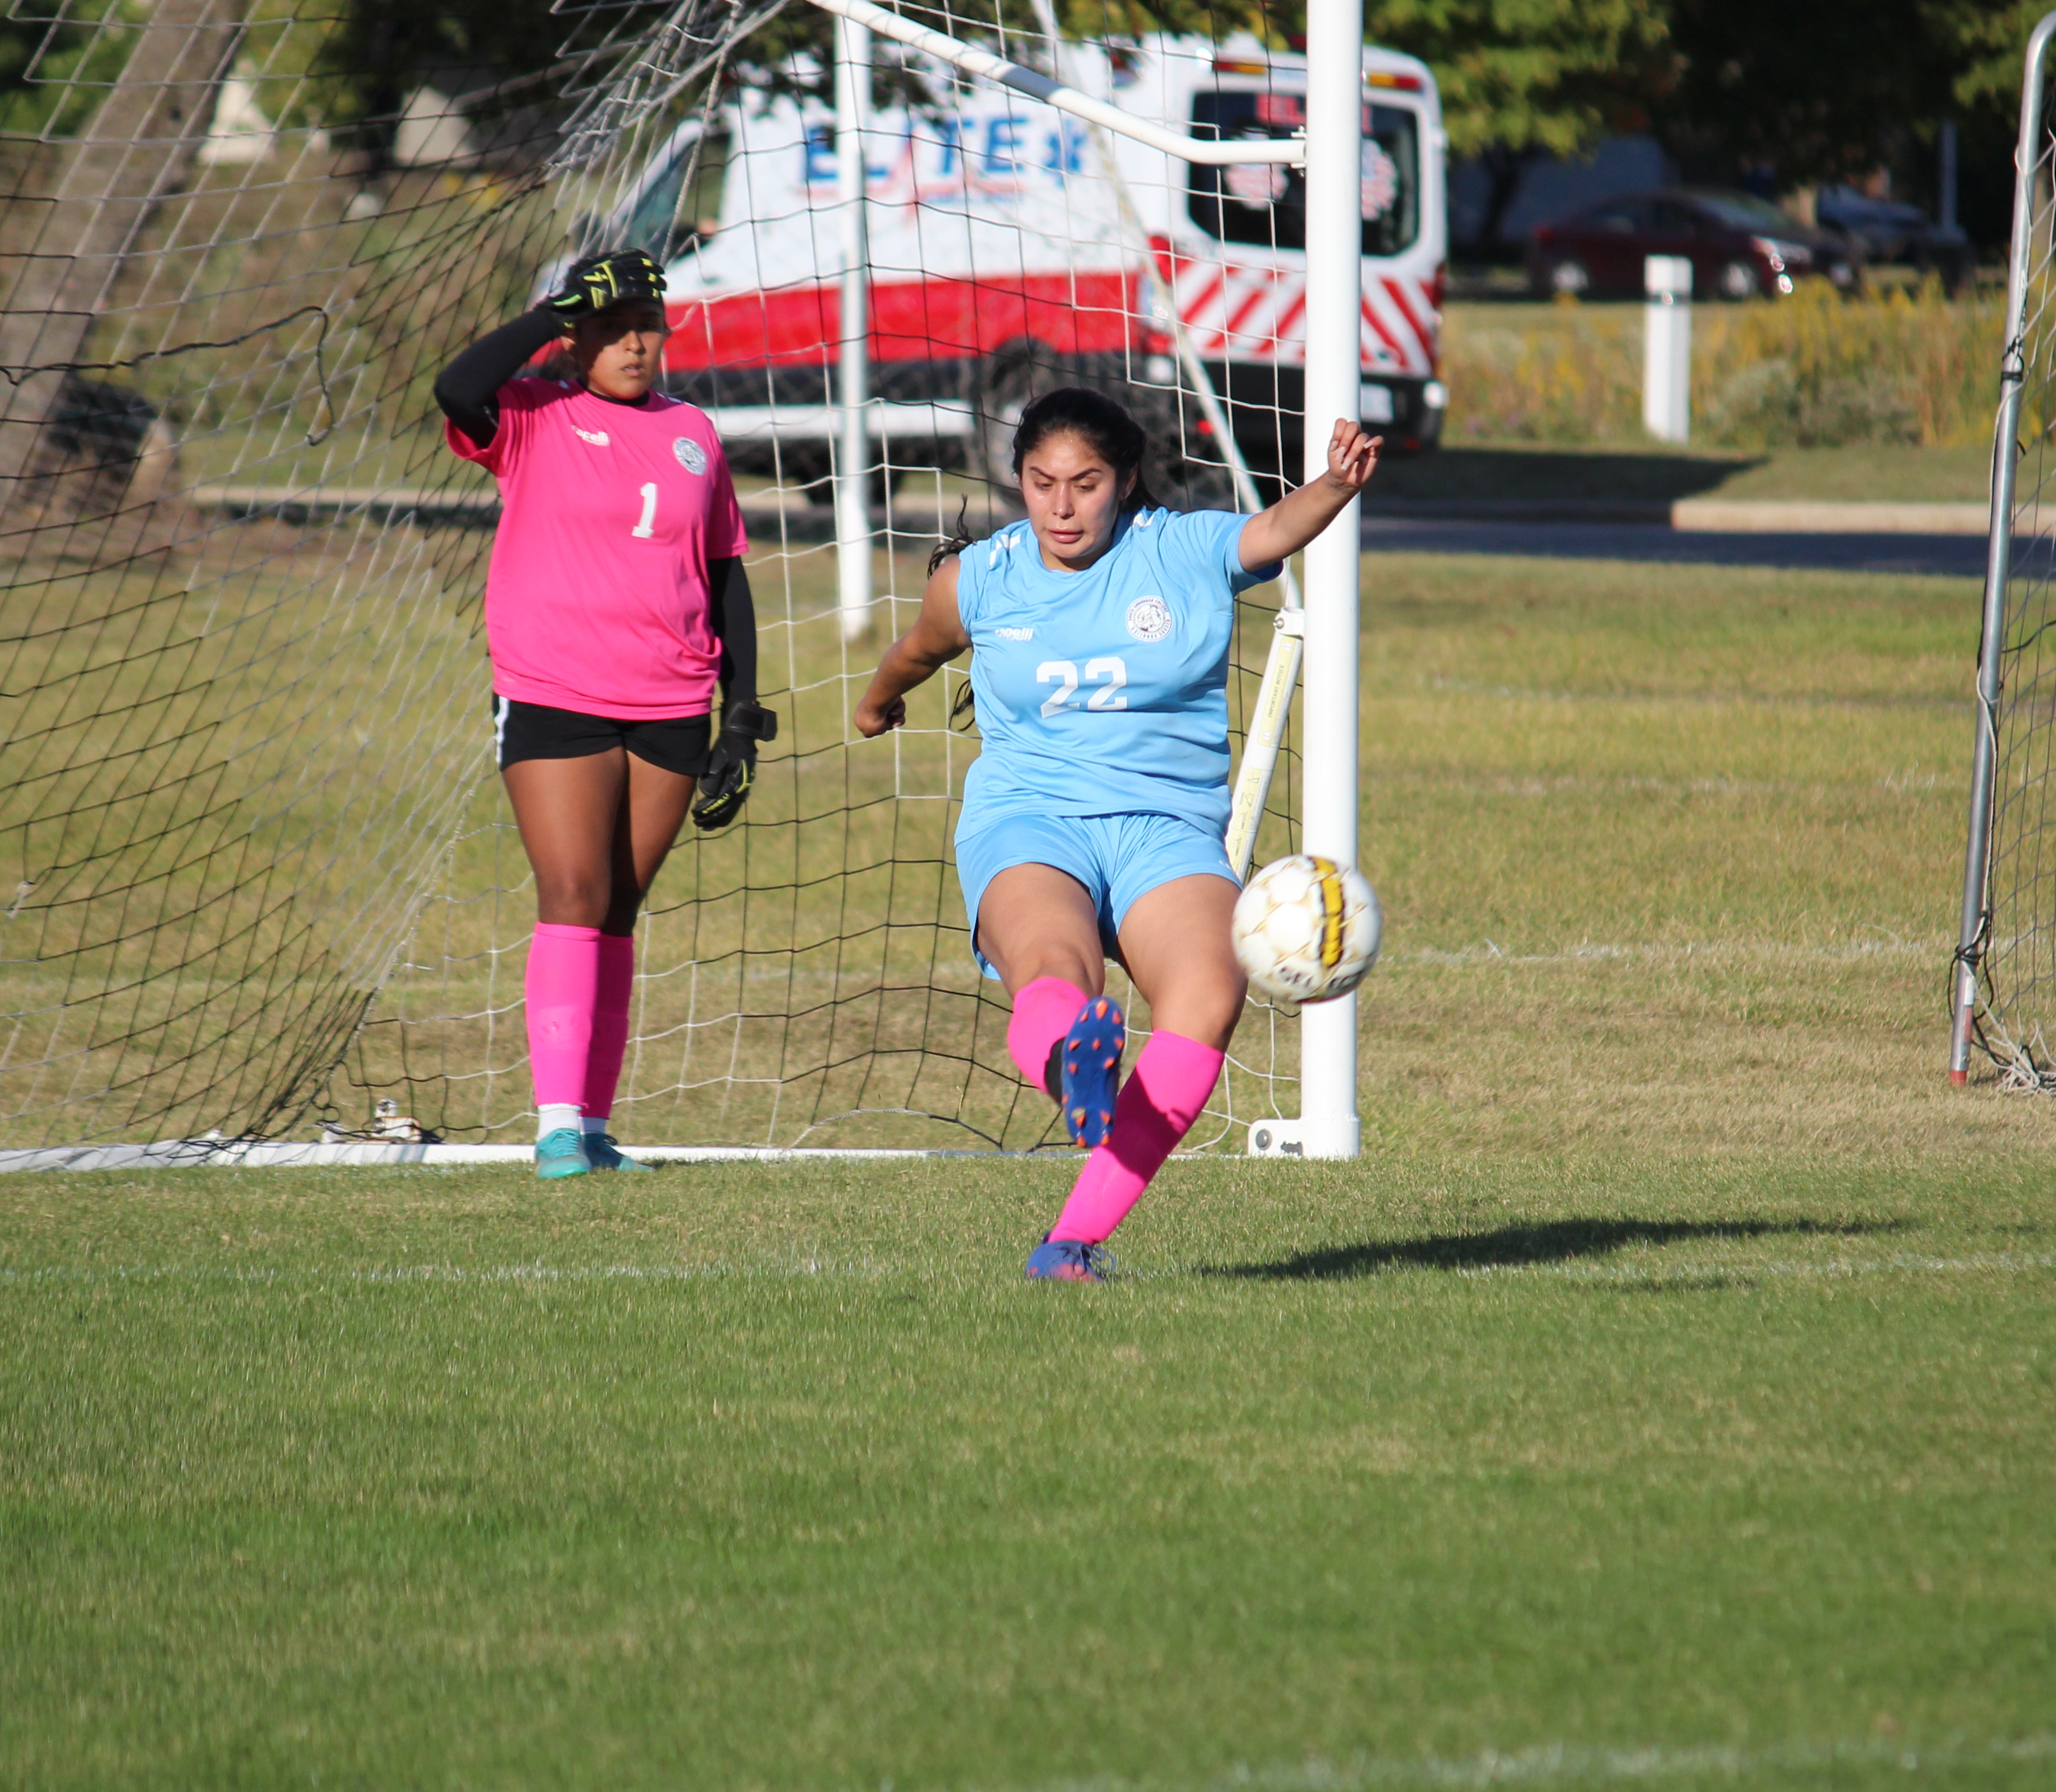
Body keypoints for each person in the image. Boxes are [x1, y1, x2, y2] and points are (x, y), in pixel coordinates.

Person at [853, 387, 1380, 1279]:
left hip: (1165, 831)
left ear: (1124, 480)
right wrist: (875, 701)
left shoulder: (1178, 550)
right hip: (1030, 818)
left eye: (1086, 483)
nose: (1062, 506)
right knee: (1057, 969)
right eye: (1040, 482)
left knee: (1206, 1000)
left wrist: (1334, 485)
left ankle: (1070, 1242)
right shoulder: (981, 576)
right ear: (1017, 480)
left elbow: (1273, 530)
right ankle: (1078, 1066)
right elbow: (919, 647)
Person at [435, 248, 774, 1179]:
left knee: (619, 909)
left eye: (647, 326)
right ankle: (552, 1128)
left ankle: (592, 1125)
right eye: (613, 326)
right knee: (573, 894)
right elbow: (454, 384)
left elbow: (725, 572)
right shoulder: (532, 414)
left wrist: (740, 713)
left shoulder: (693, 431)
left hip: (673, 700)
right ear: (576, 337)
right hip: (555, 691)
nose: (635, 342)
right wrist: (549, 313)